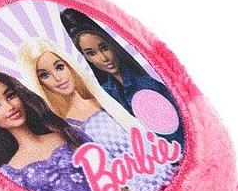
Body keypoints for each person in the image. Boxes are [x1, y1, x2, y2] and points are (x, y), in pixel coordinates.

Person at [17, 37, 178, 191]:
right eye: (45, 75)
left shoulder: (104, 97)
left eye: (59, 67)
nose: (58, 78)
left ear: (68, 65)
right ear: (38, 82)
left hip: (168, 173)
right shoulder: (61, 126)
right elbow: (103, 177)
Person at [0, 66, 132, 191]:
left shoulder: (67, 134)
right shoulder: (10, 175)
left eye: (10, 96)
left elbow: (116, 183)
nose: (9, 106)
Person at [60, 8, 185, 150]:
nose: (104, 58)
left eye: (104, 47)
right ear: (86, 58)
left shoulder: (147, 81)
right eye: (91, 53)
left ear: (112, 43)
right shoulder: (105, 94)